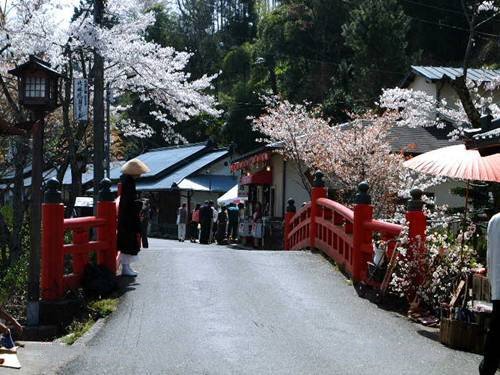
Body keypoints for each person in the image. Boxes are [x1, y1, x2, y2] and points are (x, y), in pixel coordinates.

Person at [117, 158, 150, 277]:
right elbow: (129, 202)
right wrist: (140, 203)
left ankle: (127, 267)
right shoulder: (129, 183)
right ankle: (126, 268)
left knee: (128, 242)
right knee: (128, 243)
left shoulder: (126, 181)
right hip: (128, 218)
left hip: (126, 217)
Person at [480, 213, 500, 375]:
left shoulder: (495, 220)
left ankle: (487, 367)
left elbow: (490, 255)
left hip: (498, 284)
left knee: (496, 331)